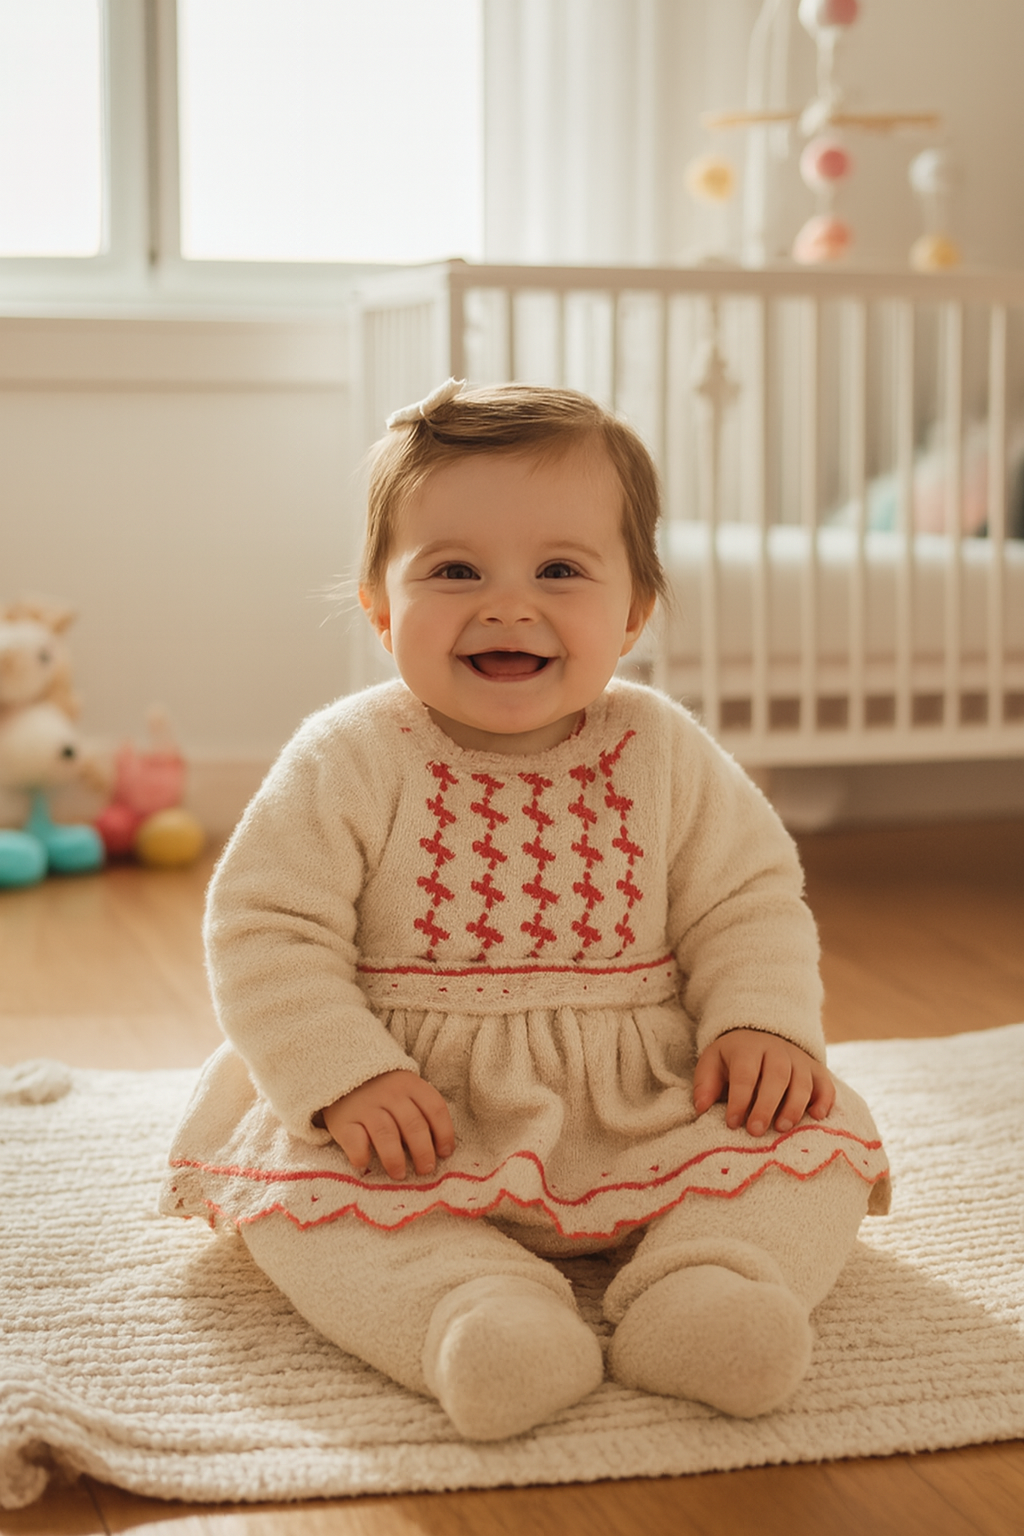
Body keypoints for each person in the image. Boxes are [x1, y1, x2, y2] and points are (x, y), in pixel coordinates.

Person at [161, 379, 890, 1442]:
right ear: (380, 610)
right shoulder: (348, 758)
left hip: (642, 1091)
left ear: (633, 610)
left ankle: (710, 1282)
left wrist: (760, 1024)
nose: (507, 604)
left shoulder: (663, 751)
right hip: (411, 1116)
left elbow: (747, 900)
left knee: (819, 1129)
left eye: (559, 570)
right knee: (296, 1195)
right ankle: (467, 1307)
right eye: (454, 571)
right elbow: (264, 930)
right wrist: (341, 1074)